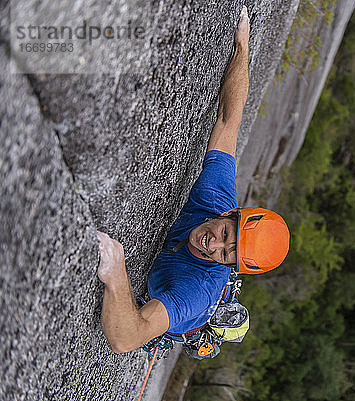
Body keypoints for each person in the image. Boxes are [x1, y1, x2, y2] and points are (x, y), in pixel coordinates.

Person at [96, 6, 290, 354]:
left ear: (231, 267)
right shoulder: (217, 197)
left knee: (178, 329)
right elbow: (230, 120)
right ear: (232, 213)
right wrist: (243, 47)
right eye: (226, 235)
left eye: (227, 255)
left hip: (181, 313)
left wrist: (116, 271)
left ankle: (206, 332)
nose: (212, 245)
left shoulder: (194, 289)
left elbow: (126, 338)